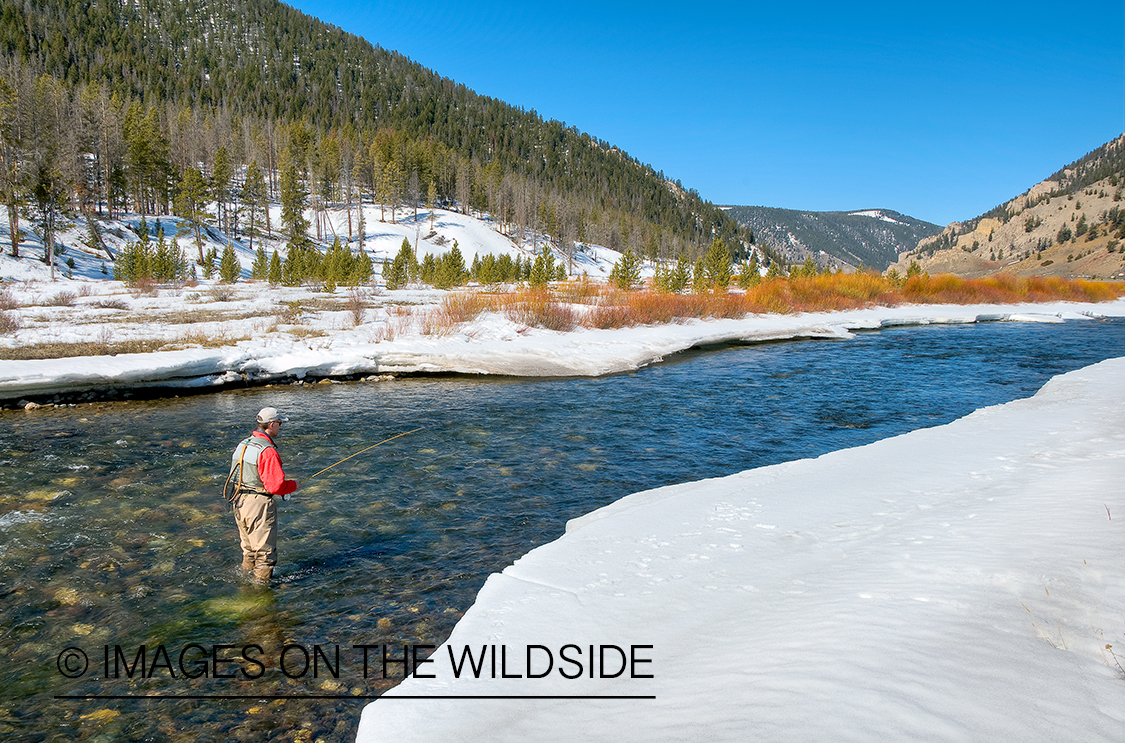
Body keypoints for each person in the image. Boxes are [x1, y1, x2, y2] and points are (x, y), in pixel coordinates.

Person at [226, 407, 298, 583]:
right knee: (265, 557)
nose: (280, 427)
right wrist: (294, 485)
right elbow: (276, 486)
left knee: (249, 552)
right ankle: (261, 597)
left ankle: (244, 587)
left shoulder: (243, 444)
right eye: (279, 424)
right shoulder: (267, 451)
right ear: (271, 424)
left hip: (238, 501)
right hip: (257, 505)